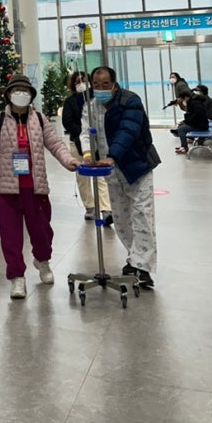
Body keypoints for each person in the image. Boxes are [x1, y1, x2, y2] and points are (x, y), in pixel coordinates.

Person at [0, 73, 79, 300]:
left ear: (31, 95)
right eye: (16, 91)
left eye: (25, 91)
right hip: (7, 189)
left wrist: (68, 160)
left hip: (35, 188)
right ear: (8, 94)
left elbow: (55, 144)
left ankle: (42, 260)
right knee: (10, 237)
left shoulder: (40, 119)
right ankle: (17, 277)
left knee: (42, 232)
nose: (21, 95)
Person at [88, 66, 159, 287]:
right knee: (121, 218)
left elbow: (127, 131)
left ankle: (143, 267)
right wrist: (88, 154)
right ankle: (134, 258)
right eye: (96, 85)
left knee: (142, 215)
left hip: (136, 166)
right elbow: (85, 130)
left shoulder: (130, 101)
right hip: (110, 170)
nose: (101, 89)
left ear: (114, 84)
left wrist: (112, 156)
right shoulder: (92, 106)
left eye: (105, 84)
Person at [61, 70, 113, 224]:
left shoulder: (96, 100)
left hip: (99, 142)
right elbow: (67, 121)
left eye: (84, 80)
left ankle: (106, 209)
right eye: (77, 81)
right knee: (82, 177)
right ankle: (90, 207)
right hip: (77, 142)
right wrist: (83, 134)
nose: (81, 84)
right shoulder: (70, 102)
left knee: (102, 176)